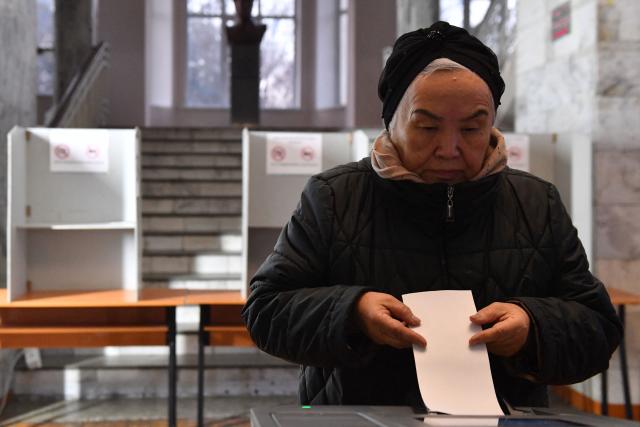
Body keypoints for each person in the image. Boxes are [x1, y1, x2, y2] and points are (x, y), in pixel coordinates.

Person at [241, 21, 622, 410]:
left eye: (472, 128)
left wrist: (533, 326)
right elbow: (266, 310)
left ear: (491, 123)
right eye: (426, 127)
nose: (449, 148)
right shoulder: (334, 197)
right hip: (359, 418)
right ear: (392, 121)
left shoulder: (536, 203)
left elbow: (598, 328)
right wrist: (352, 311)